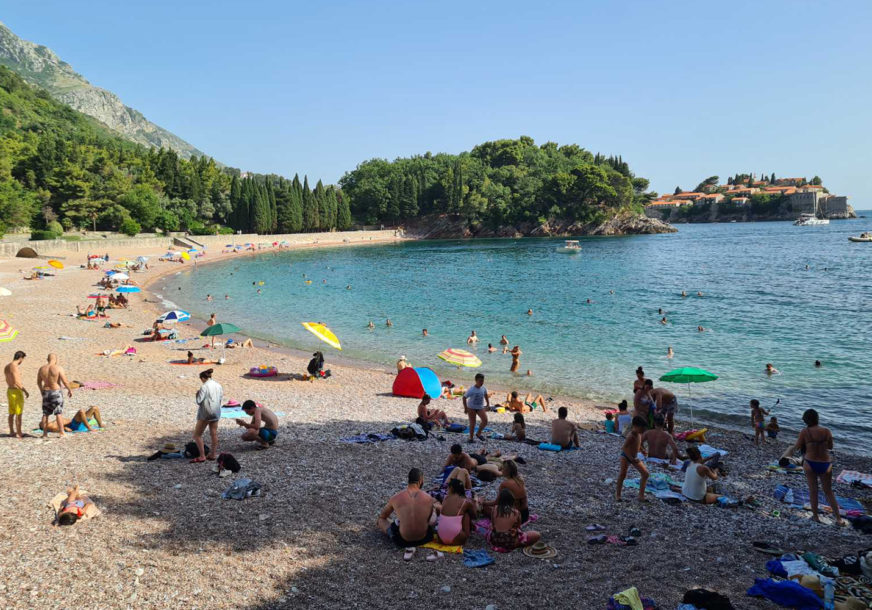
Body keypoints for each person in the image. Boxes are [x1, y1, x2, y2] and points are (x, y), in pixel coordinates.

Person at [782, 409, 843, 525]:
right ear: (817, 418)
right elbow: (830, 447)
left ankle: (815, 516)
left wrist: (792, 450)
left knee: (813, 491)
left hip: (810, 463)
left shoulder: (805, 432)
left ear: (805, 420)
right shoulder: (826, 431)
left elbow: (797, 447)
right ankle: (839, 519)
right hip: (826, 464)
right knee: (828, 491)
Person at [377, 468, 437, 554]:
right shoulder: (428, 498)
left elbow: (383, 516)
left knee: (381, 520)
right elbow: (430, 521)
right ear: (421, 480)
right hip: (424, 538)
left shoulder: (396, 497)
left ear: (409, 480)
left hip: (402, 541)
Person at [37, 354, 73, 438]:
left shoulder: (42, 369)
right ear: (56, 359)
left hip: (46, 391)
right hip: (55, 392)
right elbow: (65, 381)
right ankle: (61, 433)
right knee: (58, 413)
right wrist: (69, 389)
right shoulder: (58, 368)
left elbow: (38, 382)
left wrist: (42, 391)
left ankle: (44, 434)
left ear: (47, 359)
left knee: (45, 414)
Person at [615, 416, 649, 502]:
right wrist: (631, 458)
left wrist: (642, 450)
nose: (643, 431)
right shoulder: (631, 436)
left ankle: (641, 496)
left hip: (634, 457)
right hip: (626, 456)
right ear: (635, 426)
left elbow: (638, 444)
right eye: (642, 428)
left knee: (645, 474)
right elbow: (624, 448)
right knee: (622, 474)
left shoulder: (639, 434)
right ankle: (618, 495)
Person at [191, 369, 222, 463]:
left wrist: (197, 394)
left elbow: (199, 401)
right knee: (213, 433)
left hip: (206, 413)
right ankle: (213, 454)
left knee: (197, 435)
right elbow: (220, 399)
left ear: (203, 378)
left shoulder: (204, 386)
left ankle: (202, 456)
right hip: (216, 411)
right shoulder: (218, 385)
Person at [436, 478, 477, 546]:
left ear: (451, 488)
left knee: (458, 514)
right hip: (456, 538)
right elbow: (474, 516)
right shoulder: (465, 501)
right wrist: (475, 502)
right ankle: (464, 536)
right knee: (466, 514)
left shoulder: (445, 498)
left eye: (448, 488)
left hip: (440, 538)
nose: (447, 490)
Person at [5, 351, 28, 439]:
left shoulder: (7, 366)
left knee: (11, 412)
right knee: (19, 413)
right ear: (21, 358)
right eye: (23, 359)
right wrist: (25, 391)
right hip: (16, 391)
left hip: (9, 390)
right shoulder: (14, 367)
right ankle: (19, 433)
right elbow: (17, 381)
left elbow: (8, 379)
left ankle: (11, 431)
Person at [462, 373, 490, 442]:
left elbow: (485, 395)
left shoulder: (483, 388)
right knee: (472, 423)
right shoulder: (472, 389)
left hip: (480, 407)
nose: (481, 382)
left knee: (485, 420)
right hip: (471, 407)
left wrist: (488, 403)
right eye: (480, 381)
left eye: (482, 381)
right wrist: (465, 408)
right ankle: (471, 438)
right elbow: (464, 397)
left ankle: (478, 433)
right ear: (476, 380)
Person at [40, 406, 104, 433]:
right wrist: (65, 429)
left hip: (81, 422)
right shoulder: (50, 426)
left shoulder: (53, 421)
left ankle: (100, 425)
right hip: (75, 425)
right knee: (81, 411)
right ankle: (89, 428)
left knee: (94, 408)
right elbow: (60, 429)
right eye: (42, 422)